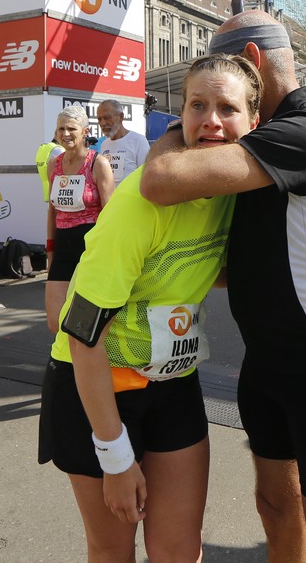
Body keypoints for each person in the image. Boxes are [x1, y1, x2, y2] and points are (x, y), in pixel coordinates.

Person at [141, 10, 306, 563]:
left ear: (251, 61)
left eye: (223, 77)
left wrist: (182, 121)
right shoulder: (260, 134)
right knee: (275, 507)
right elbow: (241, 264)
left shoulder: (303, 131)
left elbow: (161, 179)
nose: (214, 113)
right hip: (265, 361)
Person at [39, 53, 261, 562]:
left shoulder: (235, 193)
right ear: (180, 117)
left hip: (173, 380)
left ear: (253, 121)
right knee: (113, 550)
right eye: (197, 105)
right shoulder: (140, 203)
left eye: (227, 108)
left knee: (179, 548)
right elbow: (81, 332)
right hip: (96, 386)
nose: (211, 120)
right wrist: (114, 455)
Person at [46, 105, 116, 333]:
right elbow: (52, 210)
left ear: (85, 132)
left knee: (84, 325)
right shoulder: (53, 165)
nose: (65, 134)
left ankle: (83, 357)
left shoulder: (98, 163)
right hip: (62, 245)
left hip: (90, 246)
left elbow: (110, 214)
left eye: (71, 129)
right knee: (55, 321)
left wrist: (107, 254)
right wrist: (50, 249)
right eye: (61, 129)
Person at [97, 99, 151, 184]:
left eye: (107, 118)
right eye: (99, 119)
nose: (102, 123)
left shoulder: (139, 141)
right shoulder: (104, 145)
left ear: (121, 117)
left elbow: (147, 176)